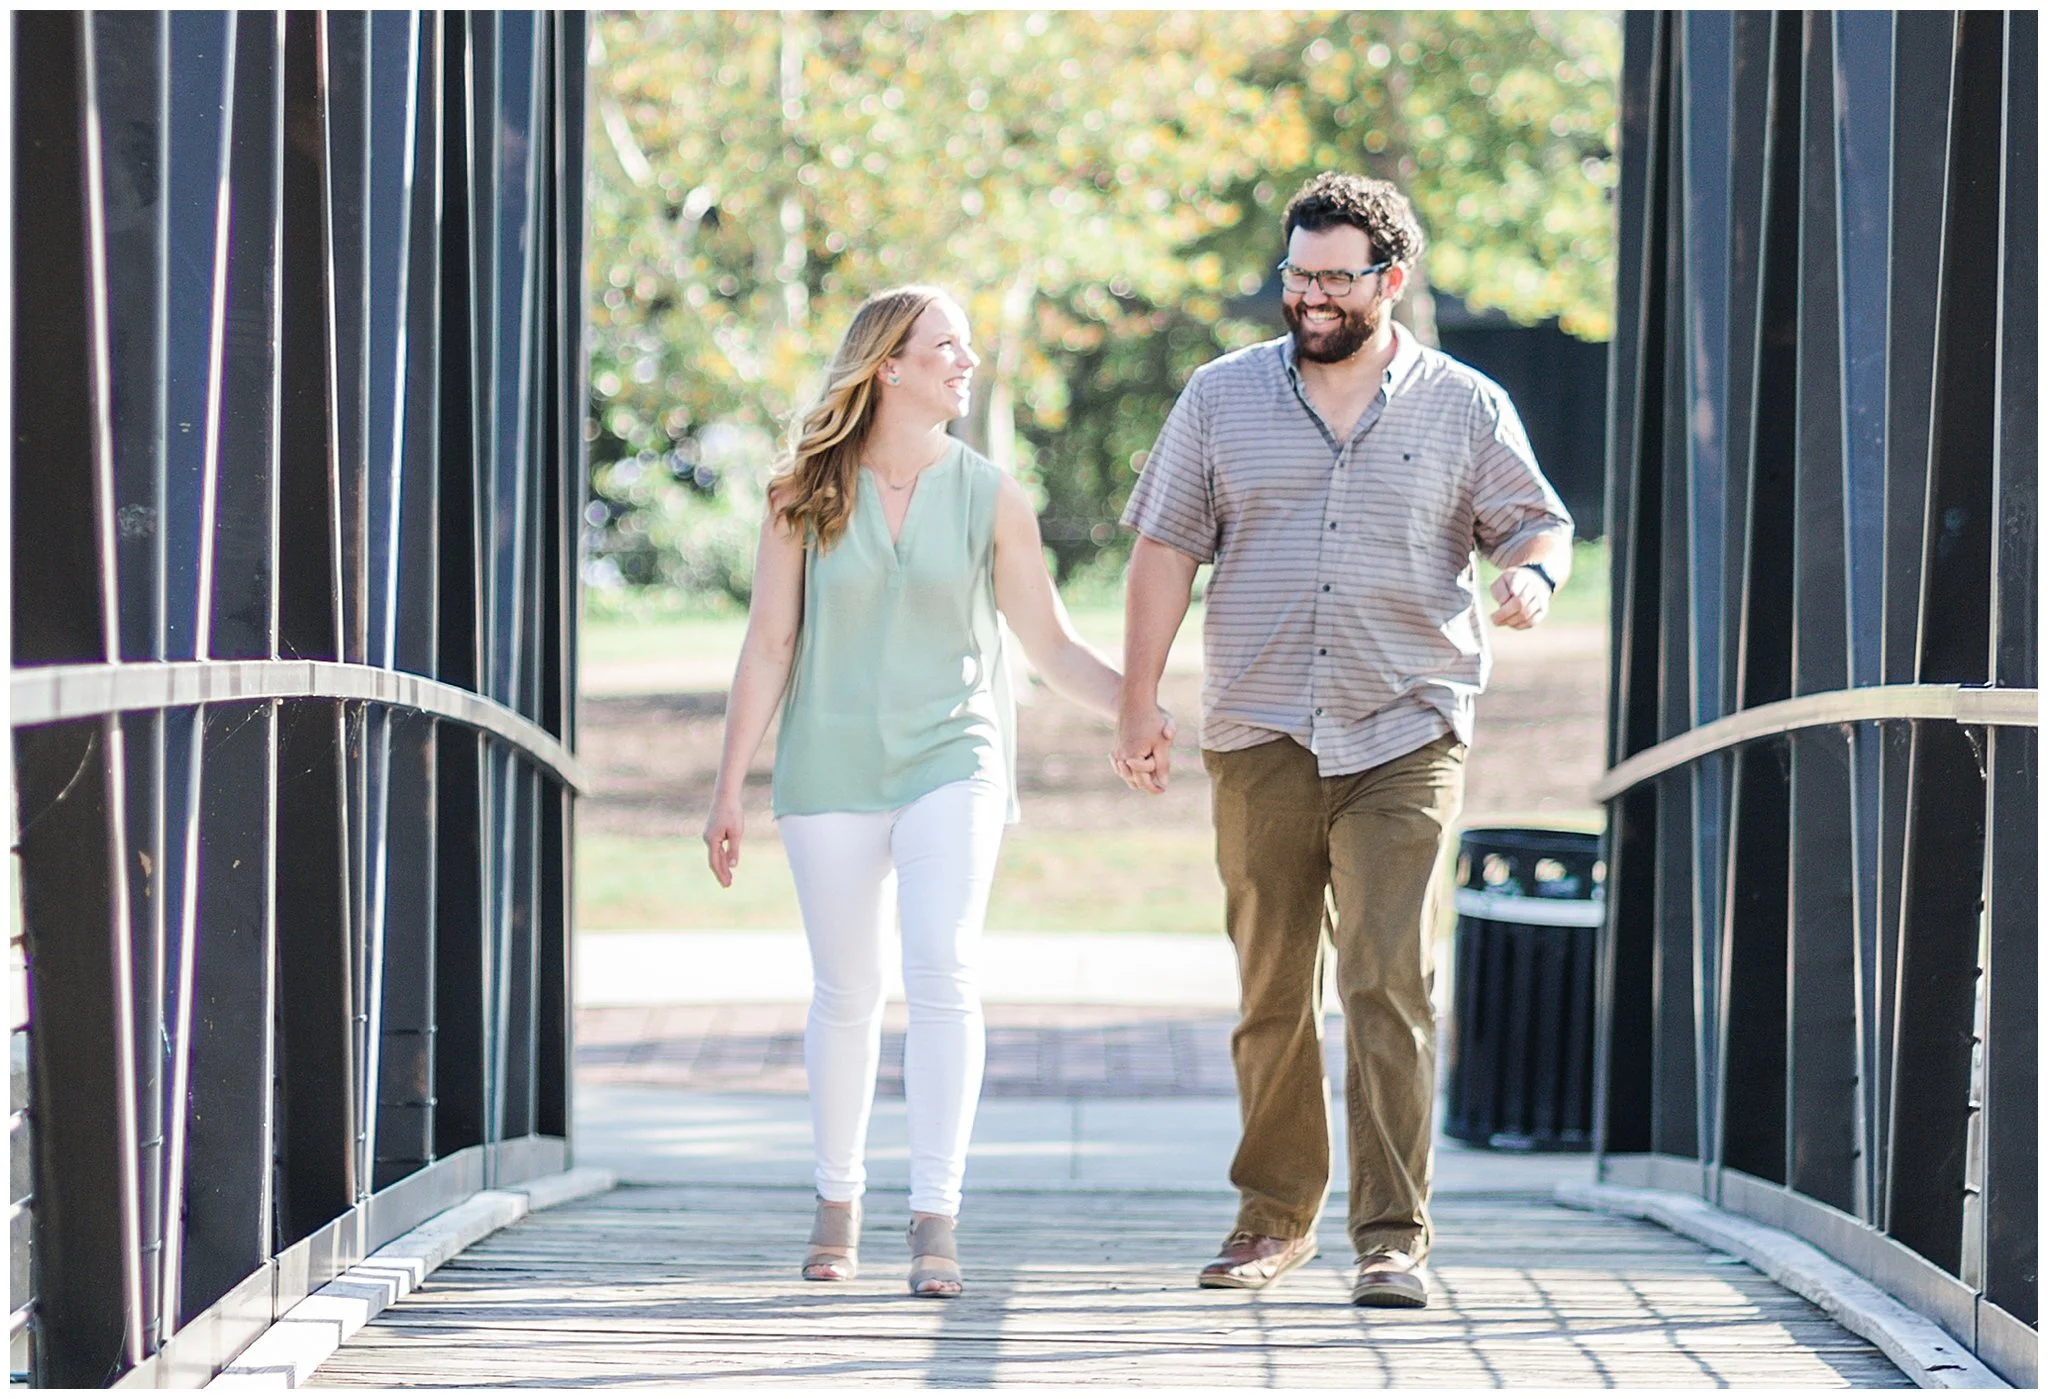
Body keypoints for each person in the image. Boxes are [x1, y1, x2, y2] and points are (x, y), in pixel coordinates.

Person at [1112, 172, 1573, 1307]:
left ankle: (1390, 1236)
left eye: (1333, 279)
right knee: (1271, 989)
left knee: (1386, 980)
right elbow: (1163, 549)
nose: (1309, 298)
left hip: (1403, 728)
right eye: (1297, 276)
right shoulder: (1219, 399)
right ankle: (1271, 1221)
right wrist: (1137, 699)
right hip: (1259, 728)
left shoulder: (1462, 405)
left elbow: (1534, 520)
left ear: (1390, 282)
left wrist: (1530, 576)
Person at [704, 285, 1138, 1299]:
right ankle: (835, 1204)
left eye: (967, 347)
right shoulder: (800, 493)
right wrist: (728, 786)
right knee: (846, 990)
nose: (966, 362)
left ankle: (933, 1217)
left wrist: (1136, 710)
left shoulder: (992, 495)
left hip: (956, 754)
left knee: (941, 968)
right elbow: (768, 646)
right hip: (830, 765)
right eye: (945, 347)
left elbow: (1049, 645)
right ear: (886, 365)